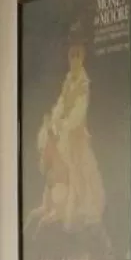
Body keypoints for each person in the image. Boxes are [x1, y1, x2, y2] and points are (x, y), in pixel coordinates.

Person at [28, 20, 107, 233]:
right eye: (71, 56)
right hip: (63, 127)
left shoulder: (83, 83)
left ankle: (78, 209)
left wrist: (64, 124)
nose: (74, 60)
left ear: (83, 57)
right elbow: (60, 104)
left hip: (75, 132)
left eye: (78, 56)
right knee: (50, 143)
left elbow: (78, 111)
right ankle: (52, 198)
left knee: (77, 167)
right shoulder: (68, 81)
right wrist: (53, 120)